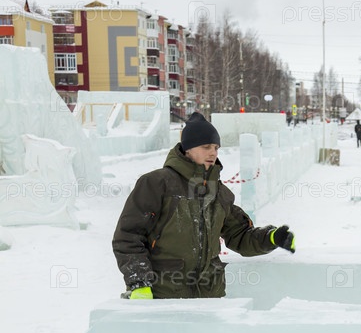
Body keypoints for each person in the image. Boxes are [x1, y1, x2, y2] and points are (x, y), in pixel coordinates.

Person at [112, 112, 296, 299]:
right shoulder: (157, 184)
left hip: (210, 297)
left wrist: (272, 237)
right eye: (206, 146)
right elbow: (128, 236)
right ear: (188, 149)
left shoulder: (218, 192)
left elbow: (239, 235)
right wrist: (139, 283)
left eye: (216, 147)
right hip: (162, 297)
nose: (213, 153)